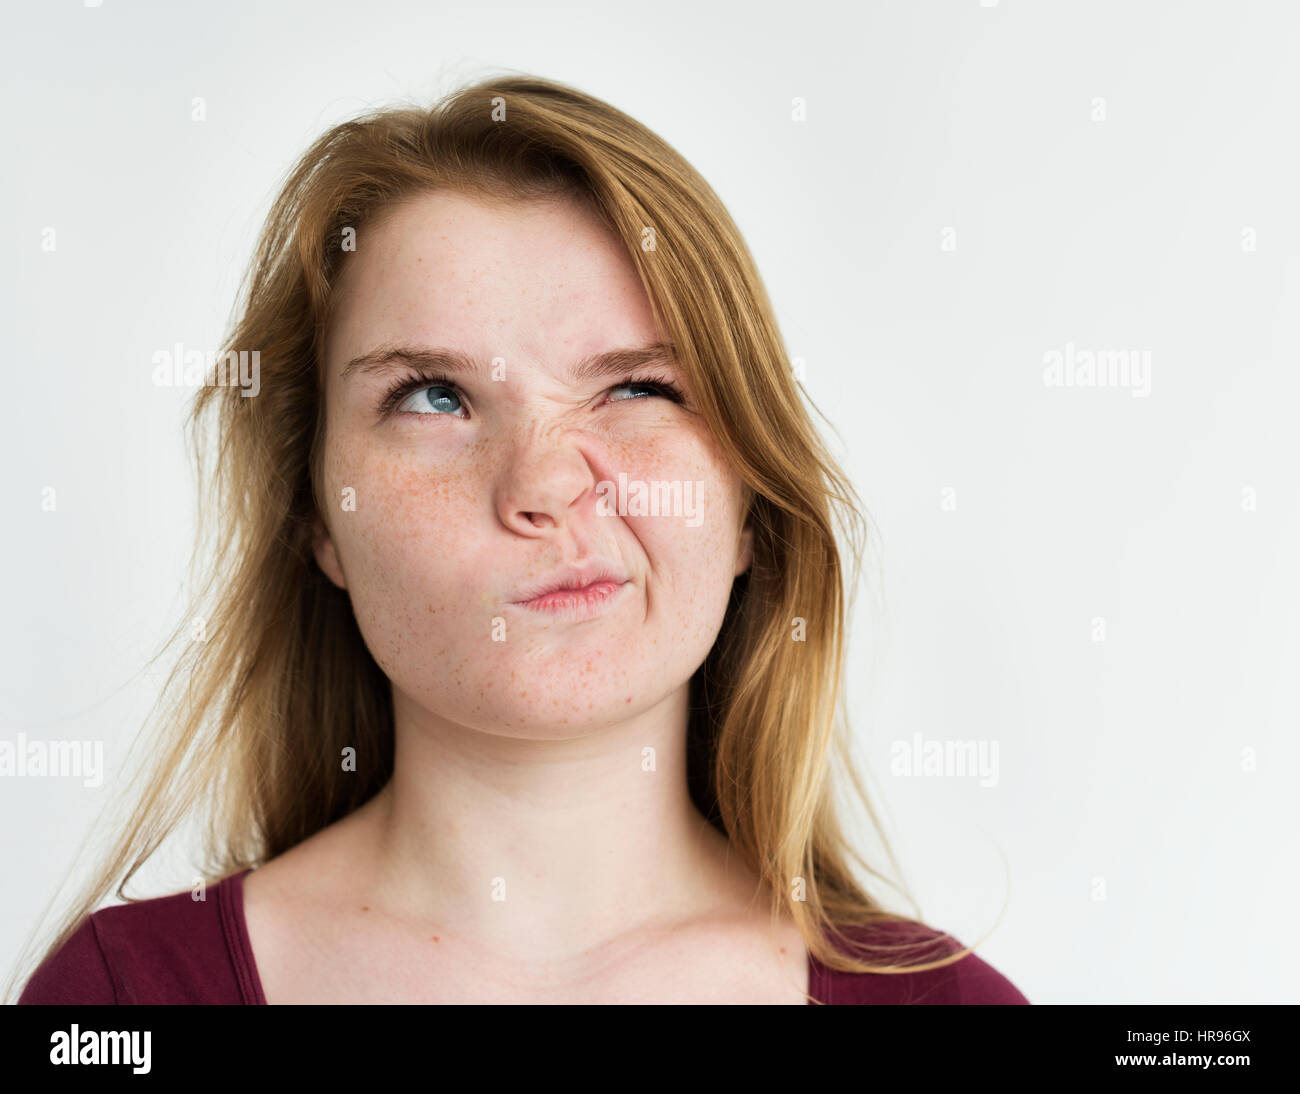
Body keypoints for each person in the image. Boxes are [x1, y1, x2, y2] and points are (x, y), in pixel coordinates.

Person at [12, 73, 1027, 1005]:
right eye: (434, 396)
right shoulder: (117, 1002)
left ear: (748, 505)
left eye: (638, 387)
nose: (544, 483)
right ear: (316, 516)